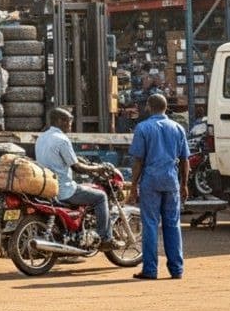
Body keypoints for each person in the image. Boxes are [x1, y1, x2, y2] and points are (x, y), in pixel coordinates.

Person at [127, 92, 189, 280]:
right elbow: (185, 160)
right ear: (165, 108)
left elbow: (138, 161)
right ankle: (176, 270)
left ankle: (151, 270)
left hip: (151, 181)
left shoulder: (143, 128)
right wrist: (184, 184)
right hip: (171, 180)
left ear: (148, 106)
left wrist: (133, 186)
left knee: (151, 225)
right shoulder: (178, 128)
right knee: (172, 224)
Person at [34, 106, 114, 250]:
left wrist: (85, 162)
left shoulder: (42, 137)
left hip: (47, 188)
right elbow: (76, 167)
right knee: (101, 196)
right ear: (59, 121)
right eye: (68, 121)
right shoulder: (62, 139)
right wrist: (98, 168)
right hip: (64, 189)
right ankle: (105, 238)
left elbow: (71, 159)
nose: (70, 124)